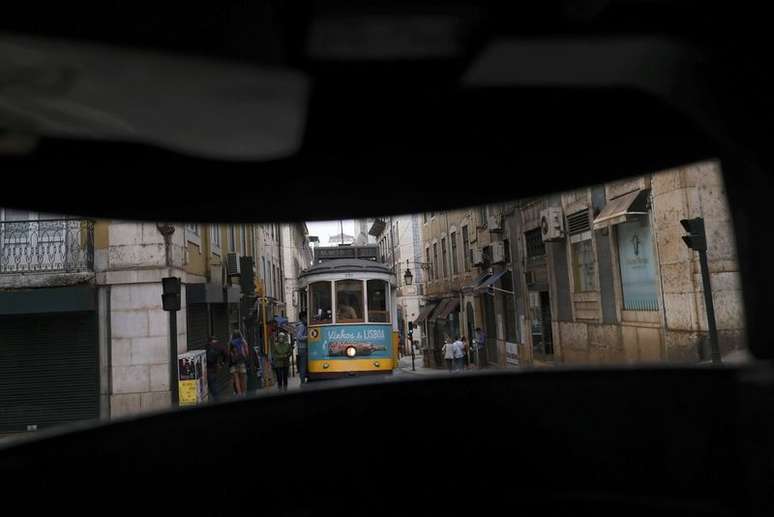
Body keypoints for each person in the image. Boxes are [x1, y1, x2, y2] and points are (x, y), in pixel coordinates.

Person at [205, 336, 226, 401]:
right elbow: (226, 353)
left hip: (209, 369)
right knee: (215, 385)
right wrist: (222, 363)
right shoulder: (219, 346)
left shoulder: (207, 346)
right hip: (215, 369)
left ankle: (217, 399)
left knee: (213, 387)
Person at [228, 330, 249, 396]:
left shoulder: (230, 342)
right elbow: (247, 352)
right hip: (241, 362)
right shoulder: (243, 341)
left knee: (236, 379)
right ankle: (244, 393)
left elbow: (229, 353)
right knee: (243, 378)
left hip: (233, 363)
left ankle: (239, 393)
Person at [295, 311, 308, 384]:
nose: (307, 319)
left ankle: (303, 379)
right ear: (303, 318)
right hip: (303, 348)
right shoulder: (302, 326)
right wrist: (308, 337)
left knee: (303, 364)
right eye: (306, 317)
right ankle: (302, 380)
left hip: (301, 348)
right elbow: (299, 337)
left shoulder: (299, 325)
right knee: (303, 365)